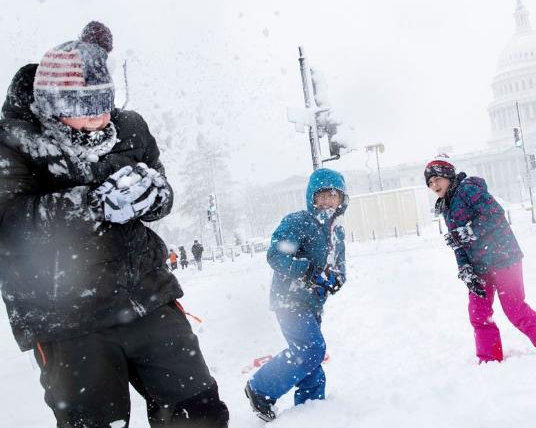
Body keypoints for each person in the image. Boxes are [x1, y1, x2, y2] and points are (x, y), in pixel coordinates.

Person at [0, 22, 229, 426]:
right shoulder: (13, 141)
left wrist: (154, 196)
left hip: (147, 295)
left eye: (104, 102)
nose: (98, 117)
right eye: (84, 109)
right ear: (54, 107)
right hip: (65, 319)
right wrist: (91, 206)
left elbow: (160, 185)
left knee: (199, 412)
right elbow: (10, 224)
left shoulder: (129, 127)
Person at [425, 154, 536, 363]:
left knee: (514, 308)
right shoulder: (446, 206)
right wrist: (465, 270)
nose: (434, 185)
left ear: (449, 176)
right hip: (478, 266)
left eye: (437, 179)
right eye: (430, 182)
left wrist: (469, 232)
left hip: (503, 257)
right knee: (478, 313)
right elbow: (457, 242)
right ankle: (489, 359)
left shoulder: (467, 190)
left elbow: (495, 214)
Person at [245, 168, 348, 422]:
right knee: (312, 349)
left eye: (333, 196)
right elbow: (275, 255)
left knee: (309, 357)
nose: (327, 201)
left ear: (341, 200)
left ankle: (310, 411)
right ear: (311, 197)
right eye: (321, 195)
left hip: (314, 303)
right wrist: (307, 270)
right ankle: (260, 388)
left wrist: (336, 280)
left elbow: (339, 266)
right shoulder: (299, 221)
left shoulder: (337, 232)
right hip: (289, 299)